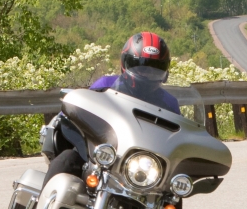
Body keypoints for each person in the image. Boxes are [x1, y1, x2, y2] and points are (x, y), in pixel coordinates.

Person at [41, 31, 178, 179]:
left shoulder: (169, 103)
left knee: (171, 195)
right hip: (99, 154)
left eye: (154, 69)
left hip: (142, 167)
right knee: (66, 161)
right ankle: (45, 200)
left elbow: (177, 141)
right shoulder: (106, 85)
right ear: (126, 64)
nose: (147, 74)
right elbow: (73, 114)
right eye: (141, 68)